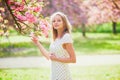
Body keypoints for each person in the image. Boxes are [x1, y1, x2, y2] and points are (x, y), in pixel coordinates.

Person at [31, 12, 76, 80]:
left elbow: (73, 59)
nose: (56, 22)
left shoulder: (66, 37)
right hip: (54, 74)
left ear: (64, 23)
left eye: (59, 20)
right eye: (53, 21)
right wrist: (37, 43)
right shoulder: (55, 39)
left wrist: (56, 59)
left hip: (63, 75)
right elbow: (49, 57)